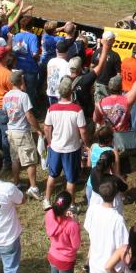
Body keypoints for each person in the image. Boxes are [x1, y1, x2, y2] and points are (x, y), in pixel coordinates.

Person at [86, 179, 130, 273]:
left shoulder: (92, 210)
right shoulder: (117, 219)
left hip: (94, 269)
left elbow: (88, 230)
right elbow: (124, 247)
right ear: (116, 195)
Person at [44, 81, 87, 209]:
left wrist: (50, 141)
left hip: (56, 147)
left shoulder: (51, 109)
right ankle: (71, 204)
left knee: (52, 175)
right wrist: (85, 143)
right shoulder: (77, 110)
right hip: (72, 149)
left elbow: (46, 128)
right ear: (71, 92)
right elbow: (83, 130)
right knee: (71, 179)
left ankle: (47, 200)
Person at [2, 69, 43, 200]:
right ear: (21, 82)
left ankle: (17, 182)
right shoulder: (23, 96)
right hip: (22, 131)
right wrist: (38, 129)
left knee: (15, 159)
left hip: (11, 131)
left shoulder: (6, 96)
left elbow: (5, 112)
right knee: (31, 161)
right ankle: (34, 187)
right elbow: (29, 115)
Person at [45, 191, 81, 273]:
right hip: (65, 261)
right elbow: (76, 246)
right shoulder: (72, 225)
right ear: (67, 207)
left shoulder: (49, 213)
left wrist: (66, 215)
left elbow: (58, 219)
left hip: (53, 255)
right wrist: (76, 222)